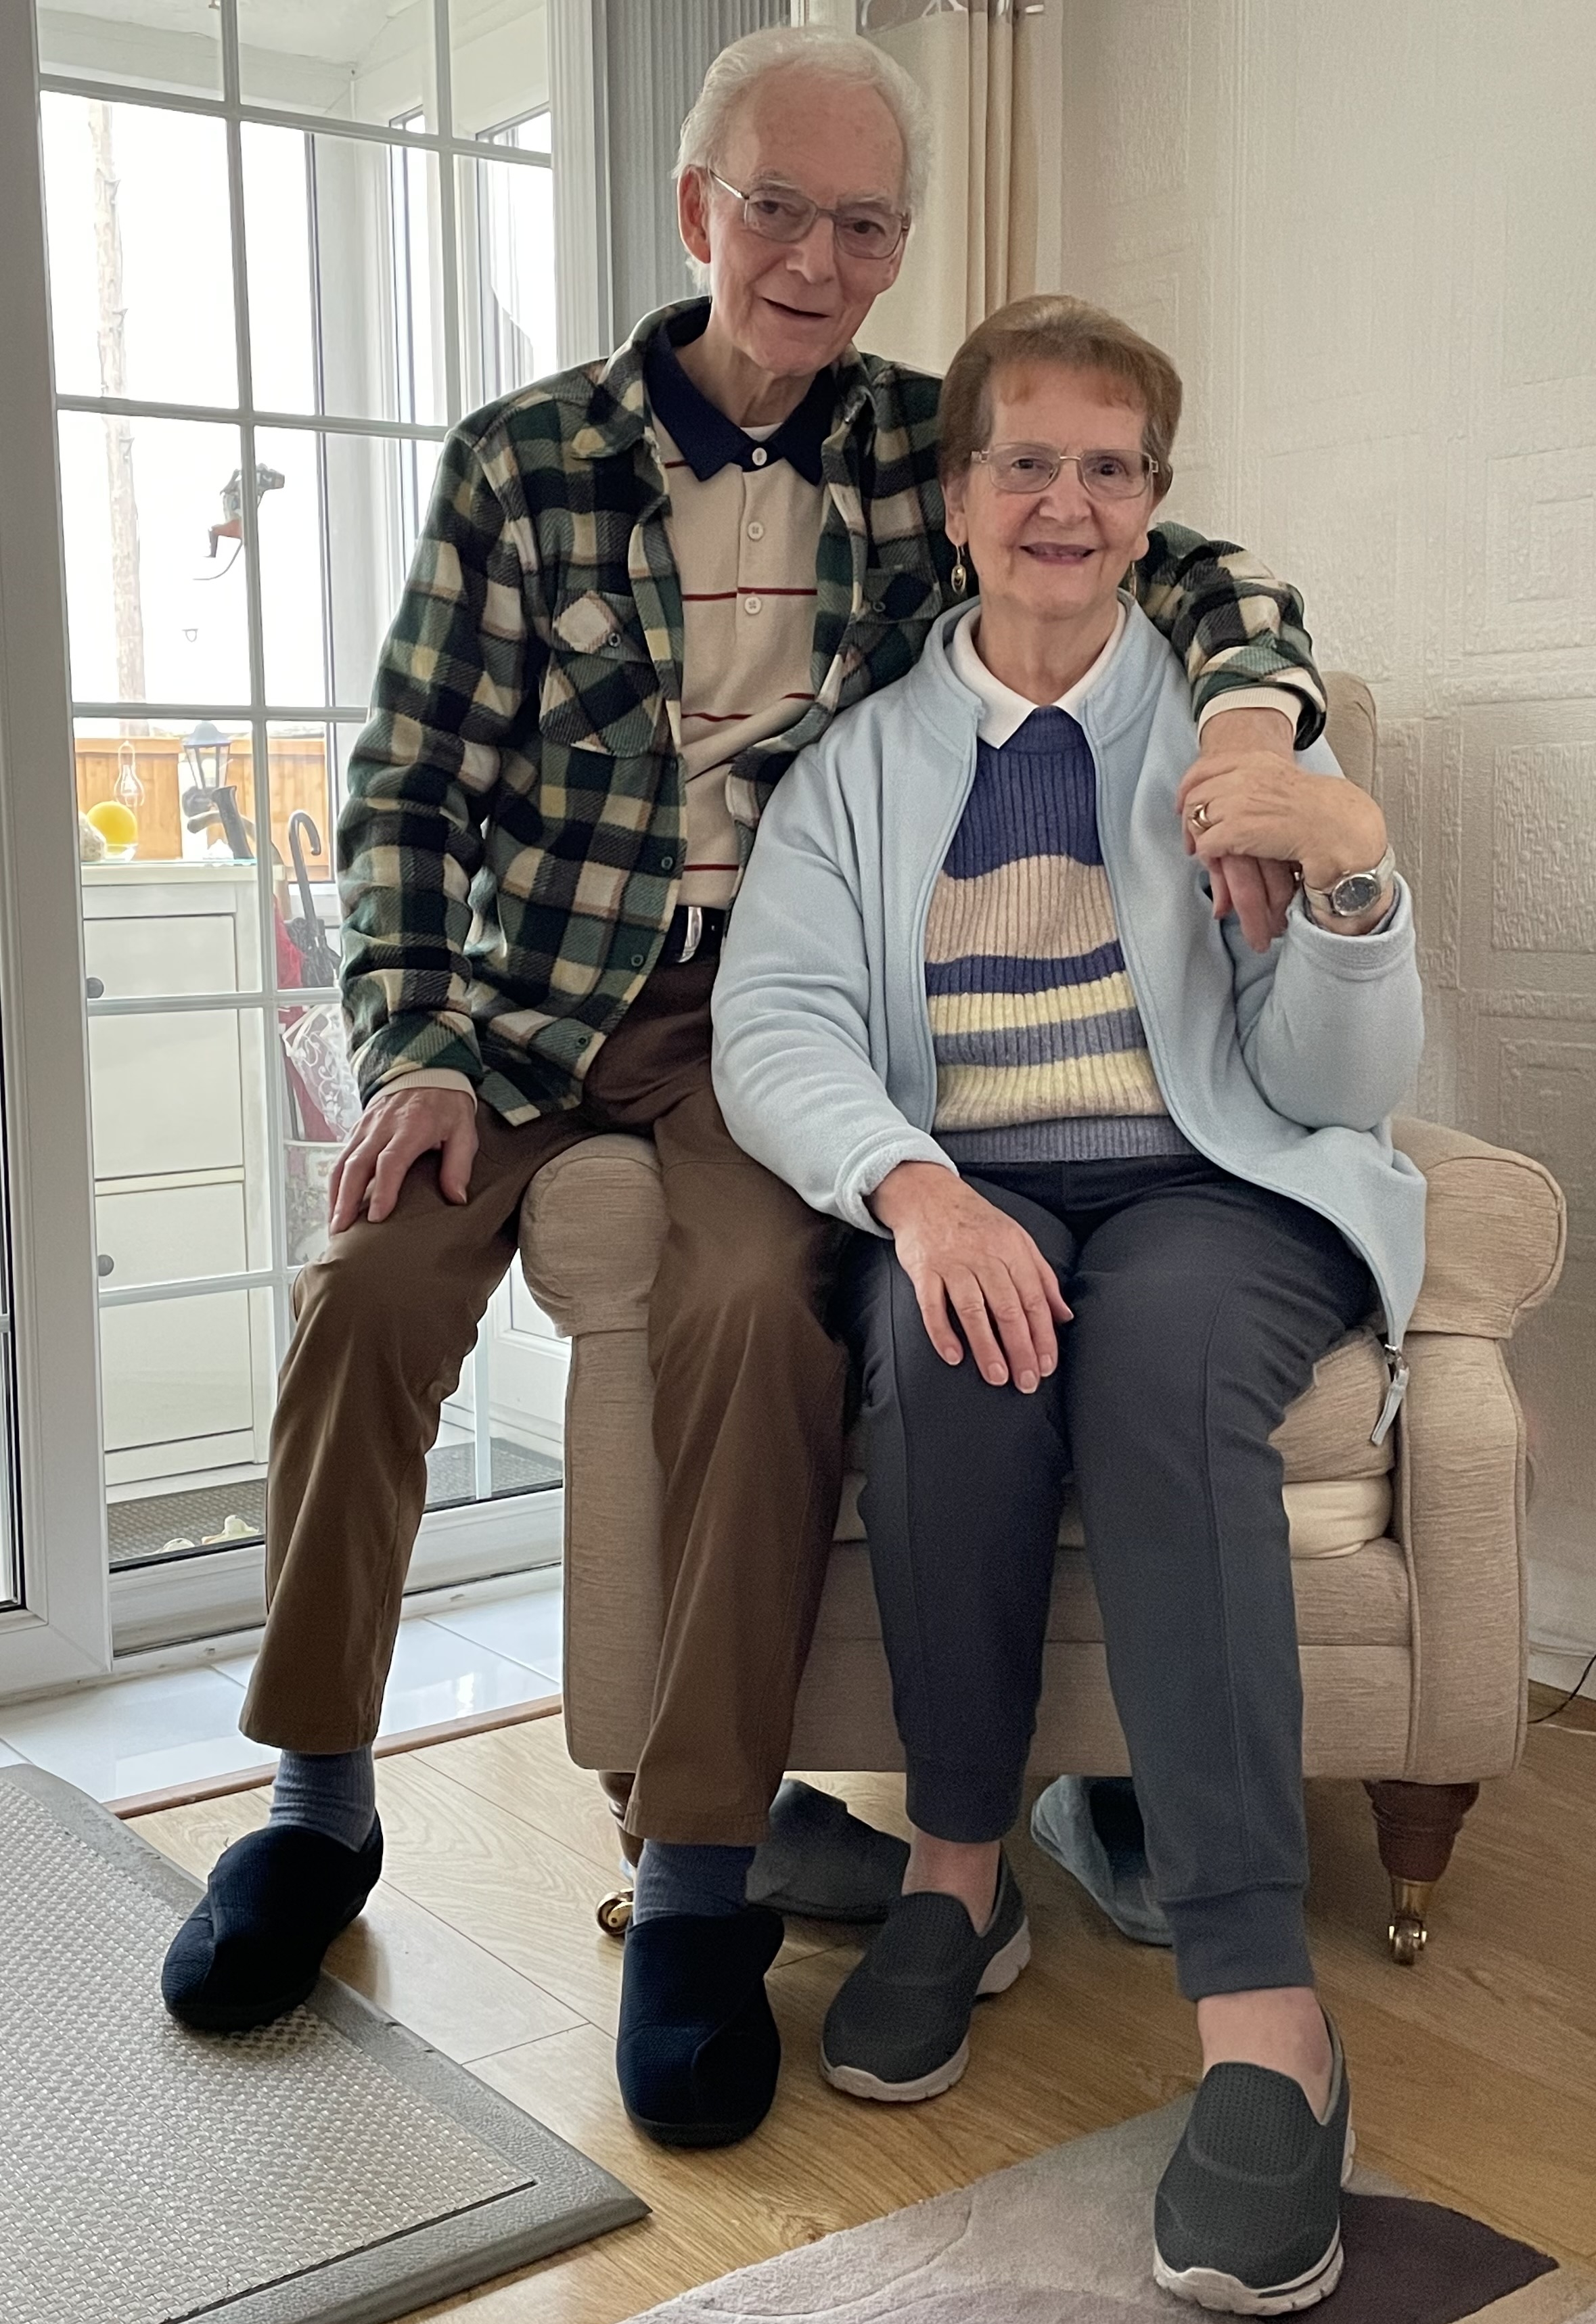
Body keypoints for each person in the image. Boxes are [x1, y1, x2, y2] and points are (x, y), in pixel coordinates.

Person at [156, 26, 1331, 2156]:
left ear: (896, 252)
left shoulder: (927, 448)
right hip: (528, 1003)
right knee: (365, 1295)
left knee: (747, 1326)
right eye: (774, 208)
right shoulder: (525, 462)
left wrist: (1256, 697)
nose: (812, 256)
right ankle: (316, 1800)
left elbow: (1184, 562)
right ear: (697, 210)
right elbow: (413, 783)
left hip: (778, 1008)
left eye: (862, 222)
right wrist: (415, 1042)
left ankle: (697, 1881)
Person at [711, 293, 1424, 2309]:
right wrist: (915, 1189)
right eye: (1022, 459)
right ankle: (959, 1865)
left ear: (1151, 511)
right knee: (947, 1351)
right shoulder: (860, 764)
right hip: (982, 1187)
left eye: (1107, 468)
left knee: (1170, 1359)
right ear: (954, 497)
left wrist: (1353, 881)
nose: (1062, 500)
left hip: (1220, 1184)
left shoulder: (1236, 741)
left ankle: (1258, 2006)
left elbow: (1339, 1086)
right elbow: (772, 1020)